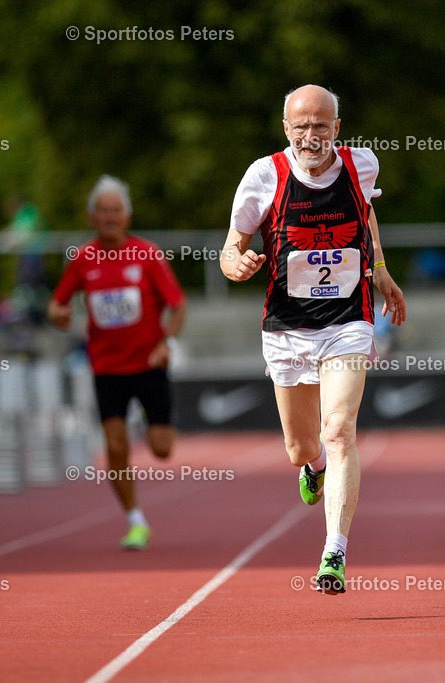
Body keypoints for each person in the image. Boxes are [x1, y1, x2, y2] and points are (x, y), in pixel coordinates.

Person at [220, 85, 406, 594]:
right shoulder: (264, 176)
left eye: (321, 125)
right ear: (286, 129)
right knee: (299, 446)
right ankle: (314, 467)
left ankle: (334, 553)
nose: (311, 135)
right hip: (287, 325)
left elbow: (365, 213)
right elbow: (230, 248)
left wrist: (382, 271)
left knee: (339, 427)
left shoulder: (361, 165)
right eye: (301, 126)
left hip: (348, 319)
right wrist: (237, 265)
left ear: (337, 129)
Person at [49, 175, 187, 551]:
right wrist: (58, 314)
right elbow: (57, 304)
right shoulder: (83, 259)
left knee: (161, 449)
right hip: (106, 367)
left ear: (126, 216)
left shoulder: (147, 254)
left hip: (148, 363)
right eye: (103, 211)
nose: (110, 217)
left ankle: (146, 420)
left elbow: (178, 305)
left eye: (116, 211)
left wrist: (167, 342)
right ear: (92, 217)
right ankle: (135, 520)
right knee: (114, 444)